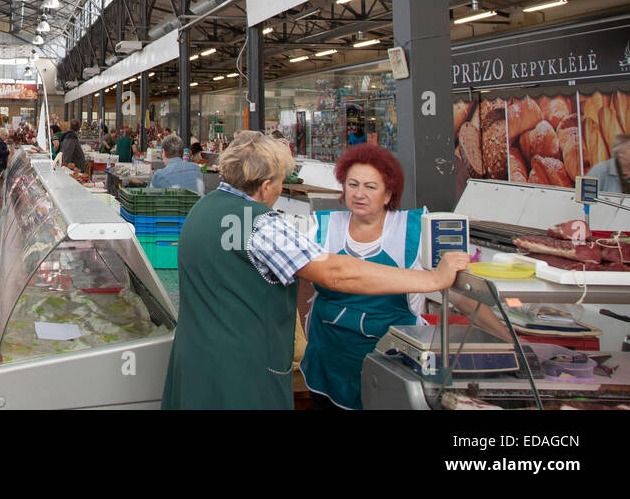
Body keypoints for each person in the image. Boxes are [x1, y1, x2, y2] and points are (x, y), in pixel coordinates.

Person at [161, 131, 468, 410]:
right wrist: (433, 279)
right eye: (281, 182)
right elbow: (336, 273)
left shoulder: (204, 208)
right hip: (241, 376)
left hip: (195, 363)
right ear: (266, 186)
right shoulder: (259, 224)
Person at [300, 143, 426, 410]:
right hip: (329, 360)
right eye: (352, 184)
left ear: (388, 194)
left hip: (391, 365)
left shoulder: (413, 232)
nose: (359, 194)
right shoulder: (321, 227)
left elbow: (460, 288)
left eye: (371, 186)